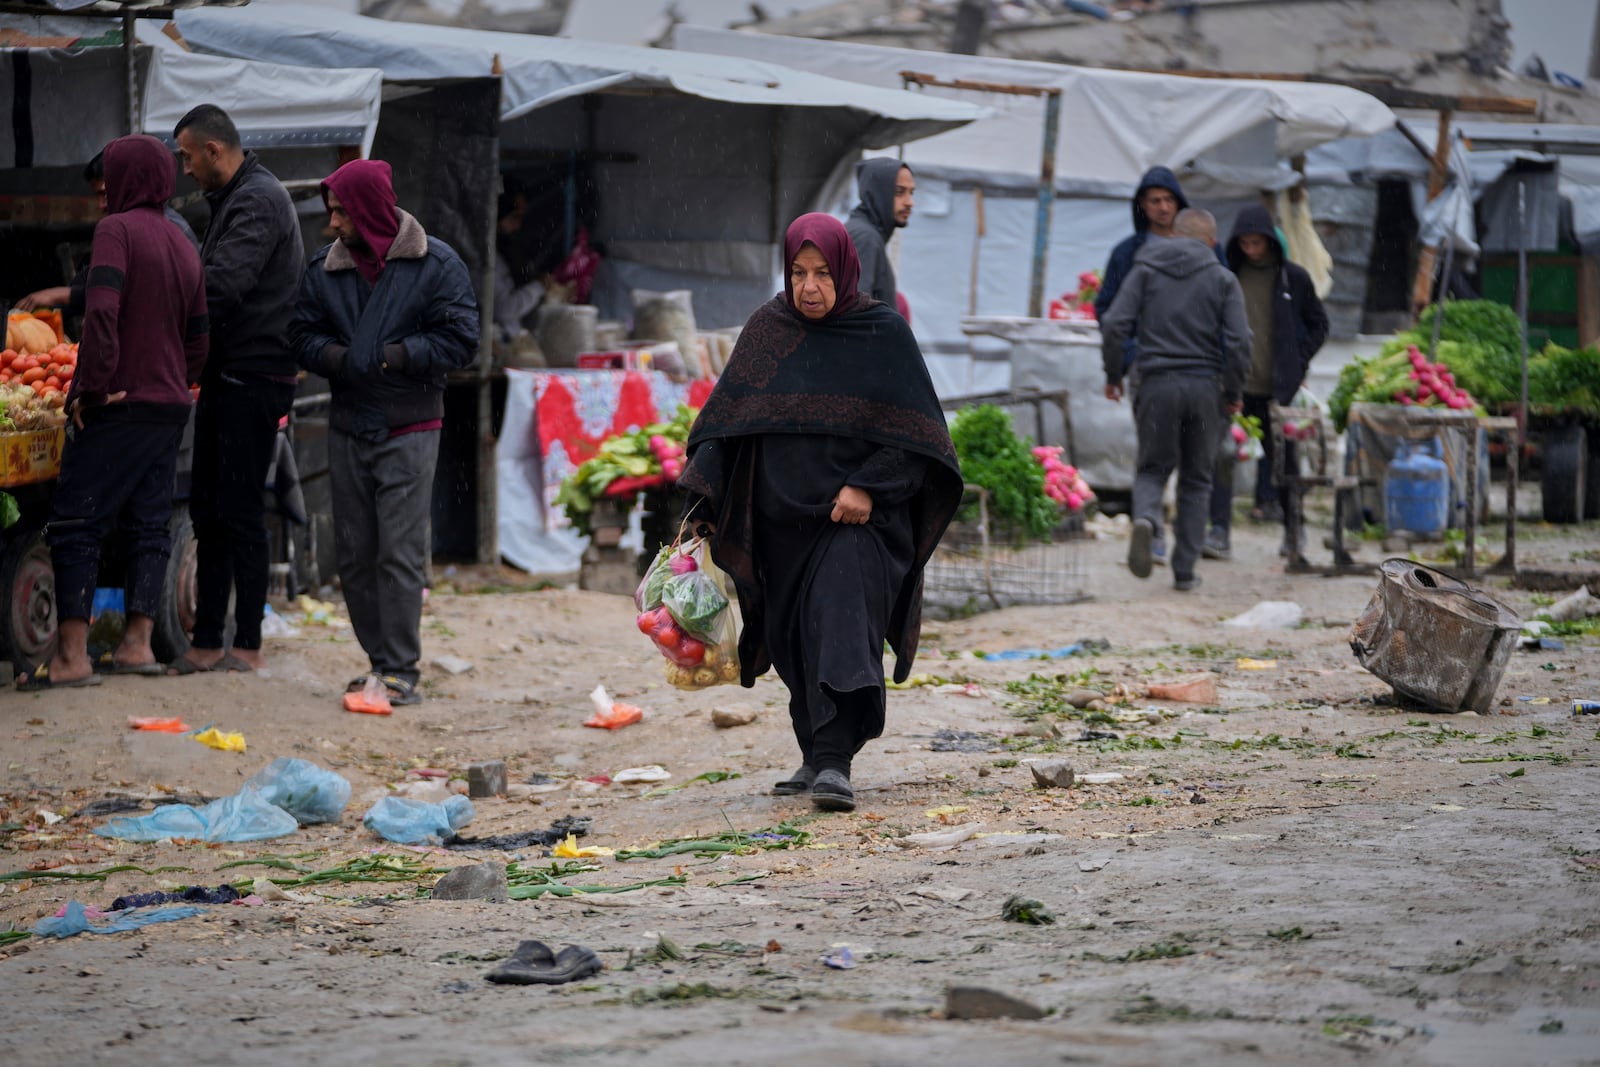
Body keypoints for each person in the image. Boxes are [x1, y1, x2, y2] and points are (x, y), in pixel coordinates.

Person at [678, 213, 962, 812]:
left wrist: (867, 486)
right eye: (799, 273)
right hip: (778, 522)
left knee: (839, 624)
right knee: (793, 641)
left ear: (847, 273)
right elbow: (726, 420)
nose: (809, 287)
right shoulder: (769, 329)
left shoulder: (882, 333)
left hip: (857, 523)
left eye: (823, 274)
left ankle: (836, 760)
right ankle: (813, 751)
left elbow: (923, 442)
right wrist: (701, 500)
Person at [18, 135, 208, 689]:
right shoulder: (181, 241)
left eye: (112, 182)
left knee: (78, 521)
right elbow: (199, 335)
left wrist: (92, 388)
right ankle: (136, 644)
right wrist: (179, 377)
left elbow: (101, 313)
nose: (103, 198)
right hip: (169, 406)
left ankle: (73, 658)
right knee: (150, 522)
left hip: (120, 403)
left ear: (129, 182)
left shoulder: (117, 232)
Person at [289, 158, 479, 707]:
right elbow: (300, 333)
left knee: (397, 549)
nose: (332, 225)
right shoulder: (327, 268)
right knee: (353, 550)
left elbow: (462, 339)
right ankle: (379, 660)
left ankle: (401, 668)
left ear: (369, 210)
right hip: (349, 424)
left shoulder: (435, 263)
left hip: (411, 424)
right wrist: (339, 358)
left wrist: (396, 356)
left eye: (341, 213)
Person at [169, 104, 303, 675]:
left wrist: (161, 328)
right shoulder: (235, 198)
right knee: (209, 509)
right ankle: (206, 642)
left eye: (187, 157)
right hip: (228, 376)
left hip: (255, 376)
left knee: (240, 510)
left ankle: (245, 643)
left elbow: (220, 289)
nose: (185, 170)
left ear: (214, 150)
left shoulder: (257, 200)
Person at [1100, 208, 1250, 593]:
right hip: (1205, 388)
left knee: (1152, 469)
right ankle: (1185, 571)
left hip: (1155, 384)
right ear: (1212, 242)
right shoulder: (1223, 279)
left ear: (1171, 236)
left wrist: (1114, 373)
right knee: (1197, 480)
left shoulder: (1145, 271)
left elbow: (1115, 323)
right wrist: (1233, 393)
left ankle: (1148, 521)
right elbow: (1238, 343)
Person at [1205, 204, 1330, 559]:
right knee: (1223, 459)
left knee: (1285, 465)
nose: (1251, 250)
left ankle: (1294, 531)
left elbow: (1320, 324)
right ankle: (1218, 532)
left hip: (1279, 391)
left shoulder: (1294, 278)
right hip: (1235, 388)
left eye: (1257, 243)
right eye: (1245, 243)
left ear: (1270, 242)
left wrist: (1297, 359)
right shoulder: (1228, 277)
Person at [16, 150, 198, 315]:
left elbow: (129, 292)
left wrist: (63, 295)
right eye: (97, 196)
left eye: (105, 193)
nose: (102, 205)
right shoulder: (123, 229)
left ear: (129, 183)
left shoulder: (163, 230)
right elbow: (94, 278)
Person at [844, 157, 915, 317]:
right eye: (899, 192)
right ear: (877, 191)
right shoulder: (865, 237)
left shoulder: (868, 234)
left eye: (911, 192)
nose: (910, 202)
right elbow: (855, 313)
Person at [491, 177, 546, 345]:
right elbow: (505, 310)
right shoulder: (484, 262)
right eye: (514, 218)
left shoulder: (510, 253)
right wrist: (539, 286)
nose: (518, 226)